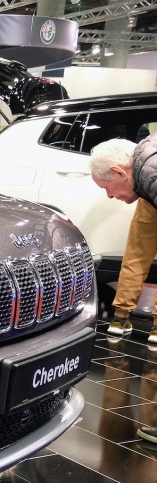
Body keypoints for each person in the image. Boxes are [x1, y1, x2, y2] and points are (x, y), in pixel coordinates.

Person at [88, 137, 157, 444]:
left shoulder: (151, 175)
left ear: (119, 172)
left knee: (137, 254)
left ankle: (119, 319)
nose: (109, 195)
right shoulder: (147, 176)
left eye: (107, 187)